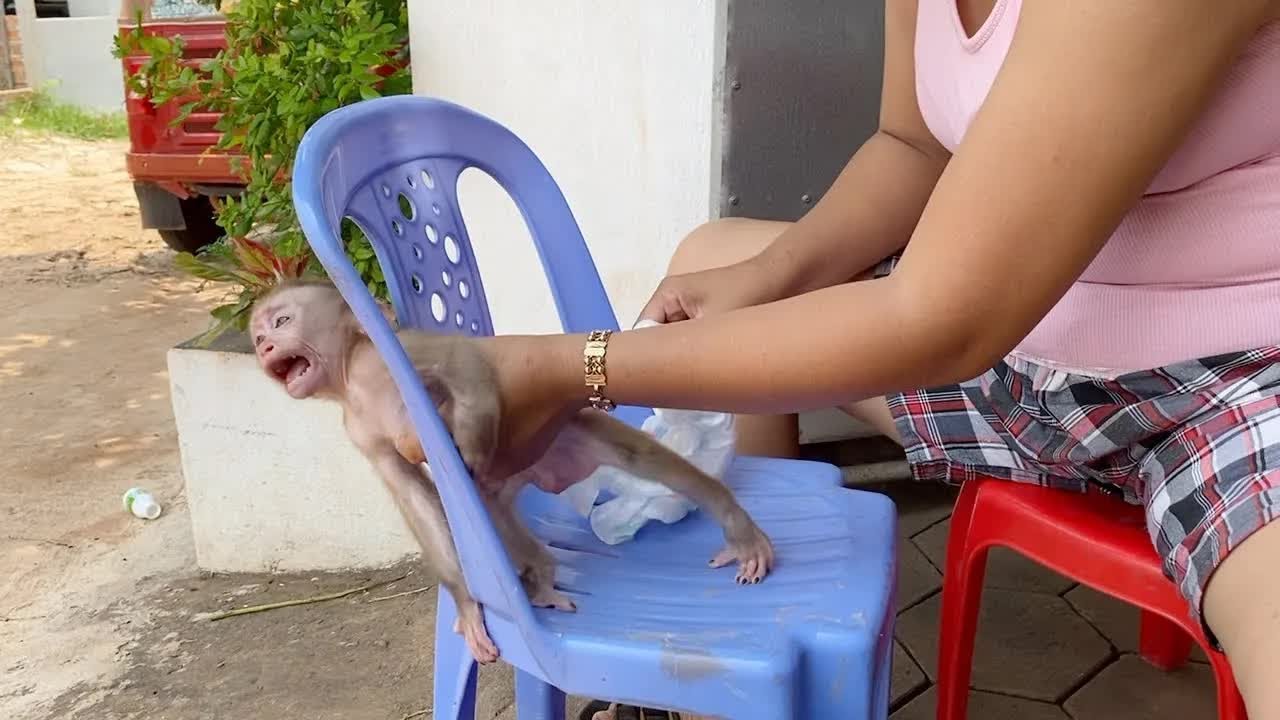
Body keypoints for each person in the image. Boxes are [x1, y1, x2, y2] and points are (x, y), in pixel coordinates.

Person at [478, 0, 1280, 716]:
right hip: (1017, 364)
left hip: (1229, 385)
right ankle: (740, 666)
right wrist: (766, 276)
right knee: (715, 257)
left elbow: (939, 319)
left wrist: (569, 369)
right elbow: (914, 145)